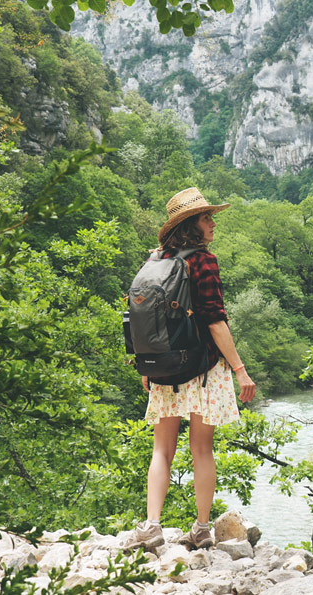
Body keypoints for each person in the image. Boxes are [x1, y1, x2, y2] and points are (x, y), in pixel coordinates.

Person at [125, 187, 256, 551]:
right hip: (202, 367)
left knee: (161, 449)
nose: (213, 223)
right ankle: (200, 528)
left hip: (162, 367)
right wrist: (240, 370)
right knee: (202, 448)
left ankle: (152, 525)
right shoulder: (203, 261)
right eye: (206, 217)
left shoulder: (154, 260)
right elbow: (215, 321)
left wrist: (146, 362)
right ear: (190, 225)